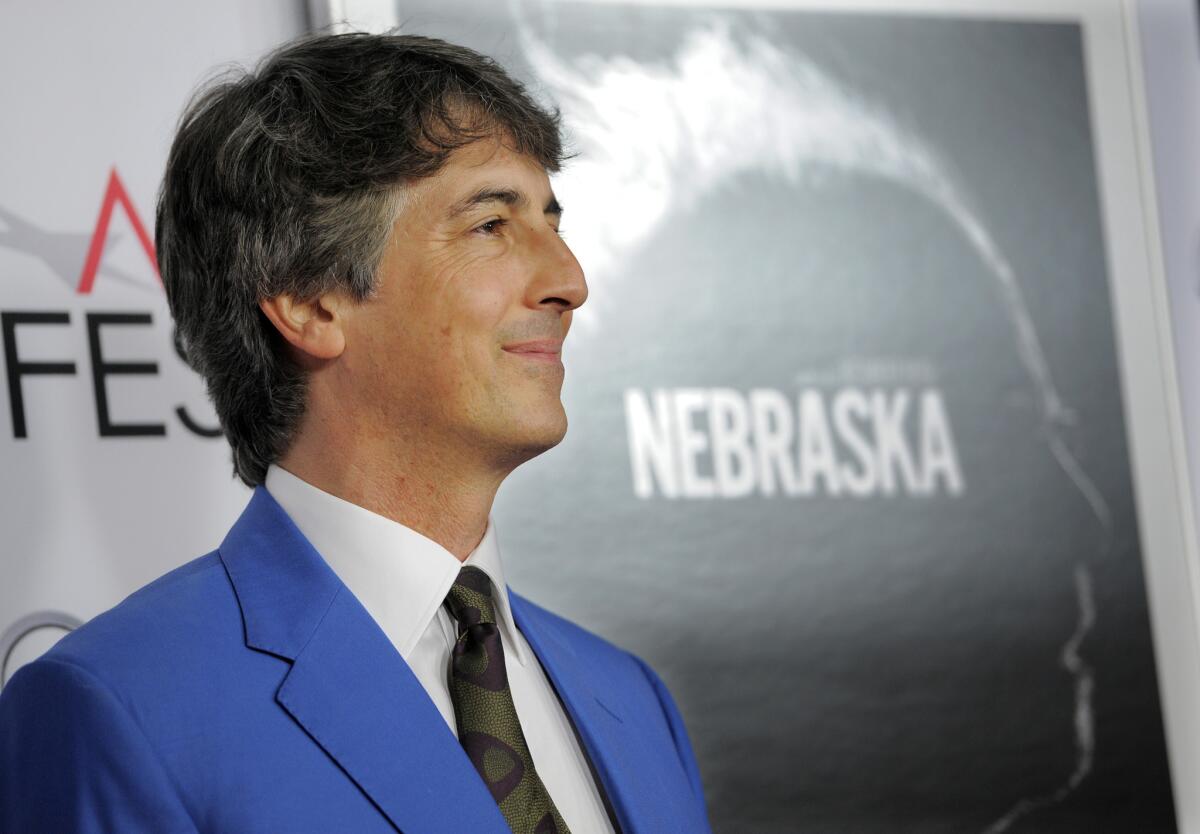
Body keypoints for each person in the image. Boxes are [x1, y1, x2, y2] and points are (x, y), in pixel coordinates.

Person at [0, 32, 710, 834]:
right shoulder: (120, 710)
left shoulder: (632, 701)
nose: (569, 281)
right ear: (308, 302)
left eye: (551, 220)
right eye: (490, 225)